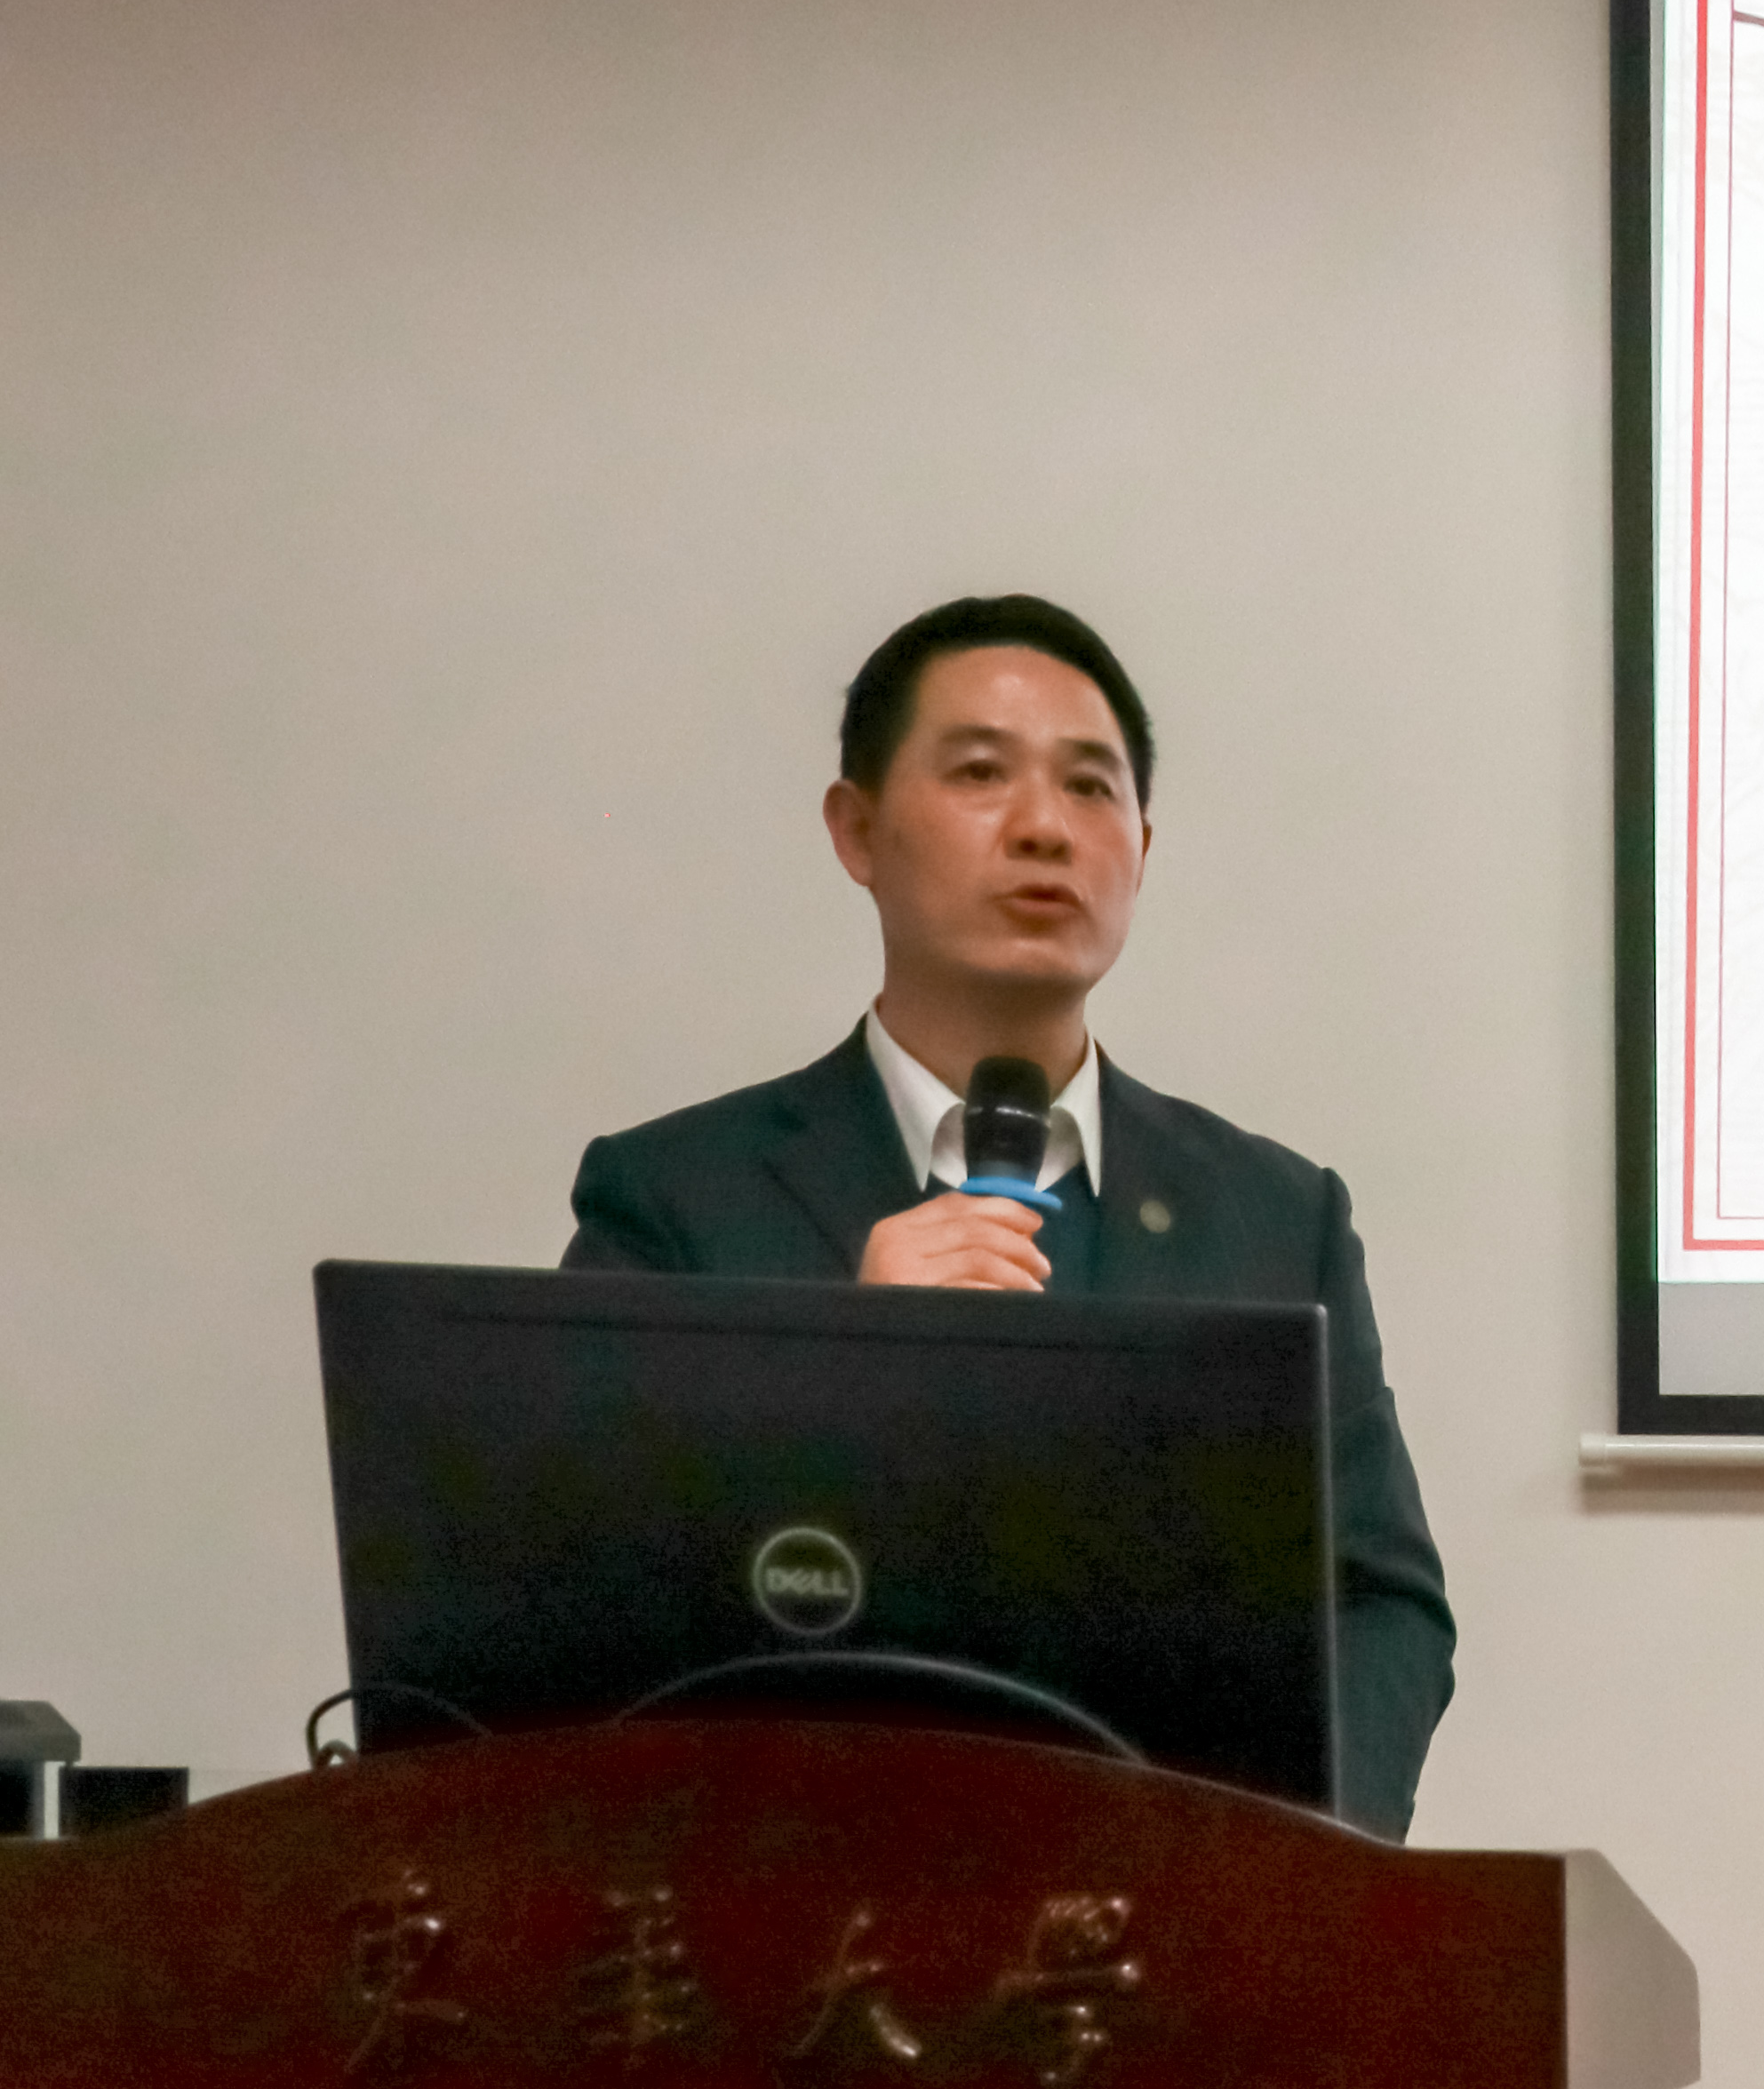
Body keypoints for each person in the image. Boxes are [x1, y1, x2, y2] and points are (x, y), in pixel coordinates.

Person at [560, 594, 1455, 1835]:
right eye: (981, 773)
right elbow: (575, 1607)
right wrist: (832, 1380)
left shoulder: (1273, 1215)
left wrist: (1284, 1863)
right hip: (792, 1888)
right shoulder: (677, 1201)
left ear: (1143, 845)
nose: (1045, 827)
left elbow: (1379, 1602)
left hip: (1182, 1907)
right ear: (857, 830)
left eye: (1091, 788)